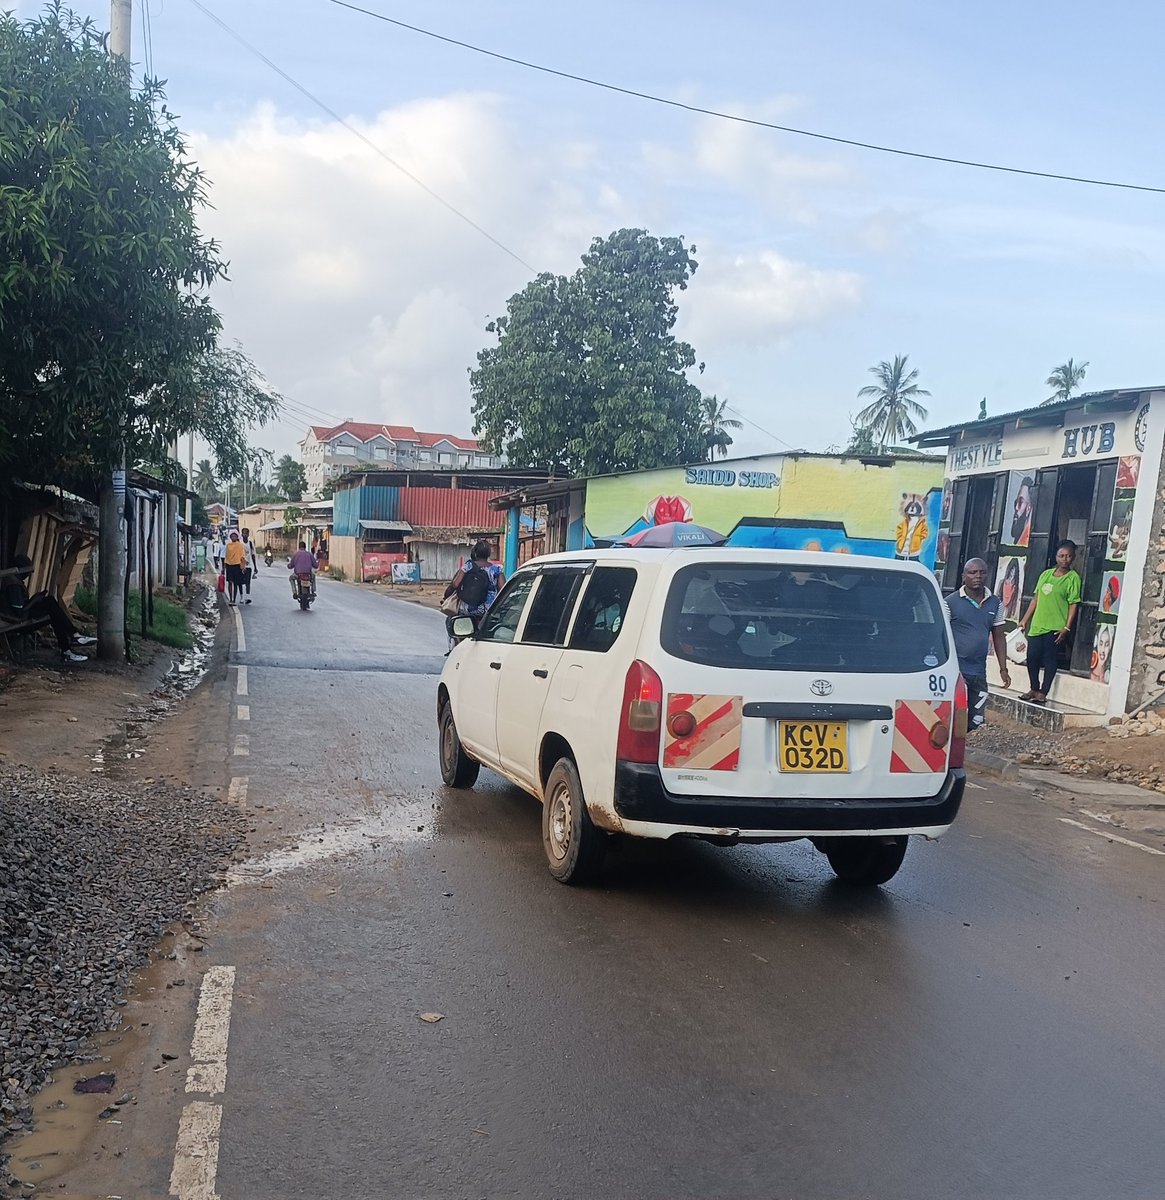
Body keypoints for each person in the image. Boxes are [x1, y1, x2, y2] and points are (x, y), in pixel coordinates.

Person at [945, 557, 1010, 731]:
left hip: (978, 672)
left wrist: (1003, 668)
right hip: (955, 671)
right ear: (964, 576)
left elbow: (999, 636)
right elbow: (941, 635)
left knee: (976, 721)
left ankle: (968, 746)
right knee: (953, 716)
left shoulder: (995, 603)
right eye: (972, 572)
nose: (978, 576)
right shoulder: (949, 603)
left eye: (982, 572)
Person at [1017, 540, 1081, 705]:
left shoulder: (1073, 578)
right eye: (1061, 556)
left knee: (1049, 659)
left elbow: (1073, 604)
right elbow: (1036, 599)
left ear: (1073, 558)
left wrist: (1066, 627)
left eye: (1068, 556)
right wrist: (1024, 620)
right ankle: (1034, 688)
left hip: (1055, 626)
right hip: (1037, 624)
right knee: (1032, 657)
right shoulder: (1045, 575)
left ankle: (1043, 692)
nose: (1064, 559)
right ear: (1056, 557)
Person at [1, 555, 95, 664]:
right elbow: (20, 611)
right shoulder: (13, 584)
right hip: (17, 619)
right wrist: (35, 600)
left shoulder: (13, 580)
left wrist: (35, 599)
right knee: (51, 605)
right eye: (27, 572)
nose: (28, 575)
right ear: (21, 569)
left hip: (19, 615)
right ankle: (71, 641)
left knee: (52, 609)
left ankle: (69, 647)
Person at [442, 540, 503, 647]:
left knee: (452, 622)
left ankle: (457, 645)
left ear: (475, 553)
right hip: (488, 611)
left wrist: (446, 596)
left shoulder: (468, 565)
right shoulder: (496, 569)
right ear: (488, 554)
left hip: (467, 610)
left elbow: (455, 584)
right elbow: (502, 589)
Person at [223, 530, 247, 605]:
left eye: (235, 536)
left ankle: (234, 599)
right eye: (232, 536)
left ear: (237, 537)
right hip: (229, 565)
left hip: (237, 566)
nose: (233, 537)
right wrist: (223, 568)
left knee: (236, 583)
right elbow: (226, 557)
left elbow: (242, 557)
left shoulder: (240, 546)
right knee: (230, 582)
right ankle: (230, 599)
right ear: (230, 537)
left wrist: (243, 567)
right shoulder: (228, 545)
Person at [239, 527, 259, 604]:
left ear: (248, 534)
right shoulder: (240, 543)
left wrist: (255, 567)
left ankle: (247, 597)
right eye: (243, 533)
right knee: (240, 582)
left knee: (248, 582)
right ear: (242, 534)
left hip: (248, 566)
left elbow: (253, 555)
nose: (245, 535)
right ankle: (241, 597)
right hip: (240, 566)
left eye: (246, 533)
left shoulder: (250, 543)